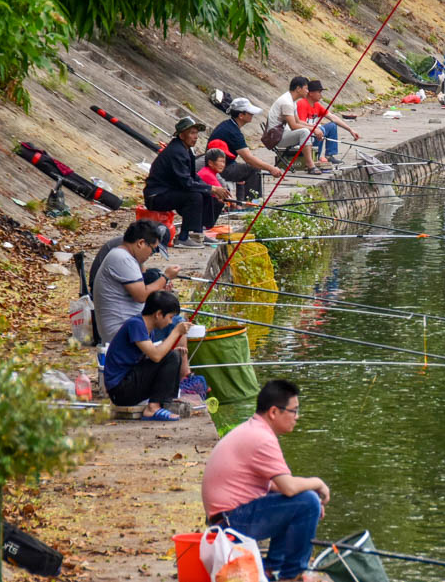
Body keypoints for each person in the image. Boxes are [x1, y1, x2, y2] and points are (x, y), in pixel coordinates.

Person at [201, 379, 330, 582]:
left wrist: (307, 498)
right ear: (273, 412)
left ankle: (272, 568)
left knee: (304, 501)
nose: (298, 417)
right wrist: (318, 483)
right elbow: (288, 487)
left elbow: (276, 486)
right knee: (308, 502)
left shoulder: (254, 430)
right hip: (230, 523)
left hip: (225, 519)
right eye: (294, 411)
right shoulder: (262, 438)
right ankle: (293, 574)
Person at [103, 290, 190, 421]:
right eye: (170, 317)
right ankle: (153, 408)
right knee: (171, 356)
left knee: (173, 355)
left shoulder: (149, 330)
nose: (171, 322)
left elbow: (152, 355)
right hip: (120, 390)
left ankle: (162, 403)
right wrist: (176, 332)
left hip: (129, 382)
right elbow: (156, 356)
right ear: (159, 314)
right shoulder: (136, 324)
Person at [144, 116, 229, 248]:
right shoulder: (176, 152)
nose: (195, 137)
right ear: (182, 135)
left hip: (170, 191)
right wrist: (211, 188)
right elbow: (186, 183)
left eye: (196, 133)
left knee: (205, 194)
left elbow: (193, 176)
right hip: (156, 196)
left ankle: (199, 233)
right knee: (194, 196)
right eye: (192, 133)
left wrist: (210, 189)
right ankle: (183, 237)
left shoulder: (186, 150)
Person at [92, 220, 181, 345]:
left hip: (132, 326)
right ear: (141, 243)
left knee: (172, 319)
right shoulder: (122, 258)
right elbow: (141, 296)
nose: (151, 254)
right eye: (153, 249)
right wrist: (166, 277)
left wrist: (159, 290)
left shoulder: (126, 257)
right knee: (178, 324)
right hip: (122, 332)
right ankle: (181, 363)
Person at [208, 98, 285, 201]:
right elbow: (248, 158)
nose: (252, 115)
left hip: (219, 164)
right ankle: (252, 203)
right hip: (219, 168)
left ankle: (243, 202)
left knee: (246, 167)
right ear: (241, 115)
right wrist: (271, 168)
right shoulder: (233, 132)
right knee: (253, 168)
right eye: (250, 113)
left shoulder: (228, 125)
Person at [267, 77, 325, 175]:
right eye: (306, 88)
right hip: (276, 137)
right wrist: (312, 129)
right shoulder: (286, 102)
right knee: (304, 132)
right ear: (298, 89)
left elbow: (298, 121)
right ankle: (310, 165)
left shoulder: (291, 101)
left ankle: (310, 163)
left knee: (307, 130)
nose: (307, 91)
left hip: (282, 133)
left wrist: (315, 128)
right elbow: (294, 126)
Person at [295, 80, 360, 166]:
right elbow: (300, 123)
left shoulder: (317, 105)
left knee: (332, 126)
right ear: (310, 93)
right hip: (302, 139)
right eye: (319, 92)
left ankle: (330, 156)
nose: (321, 95)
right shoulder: (302, 103)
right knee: (321, 129)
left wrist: (350, 130)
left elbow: (333, 117)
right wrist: (316, 129)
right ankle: (315, 157)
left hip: (313, 135)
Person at [197, 146, 230, 228]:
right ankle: (205, 227)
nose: (223, 165)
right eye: (221, 162)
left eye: (224, 162)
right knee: (218, 203)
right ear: (210, 163)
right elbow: (222, 194)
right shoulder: (207, 174)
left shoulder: (209, 172)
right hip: (198, 205)